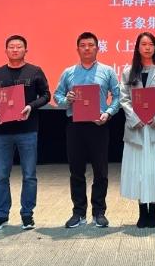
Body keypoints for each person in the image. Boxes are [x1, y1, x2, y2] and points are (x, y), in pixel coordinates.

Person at [54, 32, 120, 228]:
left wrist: (108, 113)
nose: (87, 48)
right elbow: (57, 96)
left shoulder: (107, 71)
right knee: (76, 171)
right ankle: (78, 212)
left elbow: (117, 96)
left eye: (91, 45)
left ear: (97, 48)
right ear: (77, 49)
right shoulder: (68, 72)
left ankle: (99, 212)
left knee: (101, 171)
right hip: (75, 125)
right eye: (83, 45)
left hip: (99, 125)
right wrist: (67, 100)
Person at [0, 35, 50, 231]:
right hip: (2, 132)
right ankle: (1, 215)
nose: (15, 50)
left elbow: (46, 95)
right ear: (6, 50)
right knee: (1, 176)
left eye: (19, 47)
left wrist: (31, 106)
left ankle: (27, 214)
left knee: (29, 175)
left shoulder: (35, 71)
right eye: (11, 47)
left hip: (27, 131)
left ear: (25, 50)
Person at [120, 32, 155, 228]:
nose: (147, 47)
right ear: (137, 47)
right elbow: (124, 98)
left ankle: (154, 212)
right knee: (139, 170)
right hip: (137, 127)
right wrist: (135, 118)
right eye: (143, 44)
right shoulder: (128, 71)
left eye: (151, 44)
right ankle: (142, 211)